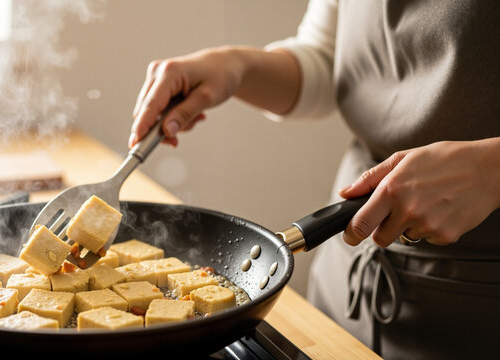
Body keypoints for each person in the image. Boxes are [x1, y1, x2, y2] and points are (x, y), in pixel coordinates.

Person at [128, 1, 500, 359]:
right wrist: (236, 66)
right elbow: (335, 62)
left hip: (476, 306)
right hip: (347, 283)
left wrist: (489, 170)